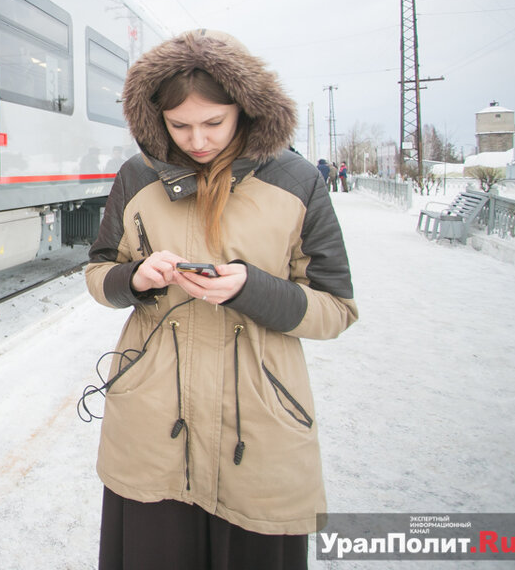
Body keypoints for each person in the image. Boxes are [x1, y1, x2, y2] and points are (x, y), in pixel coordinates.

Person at [85, 29, 357, 570]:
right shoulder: (137, 176)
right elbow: (99, 271)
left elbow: (336, 308)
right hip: (152, 417)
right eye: (179, 125)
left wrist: (252, 288)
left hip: (258, 420)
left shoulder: (297, 180)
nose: (197, 140)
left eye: (214, 122)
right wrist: (137, 278)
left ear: (245, 110)